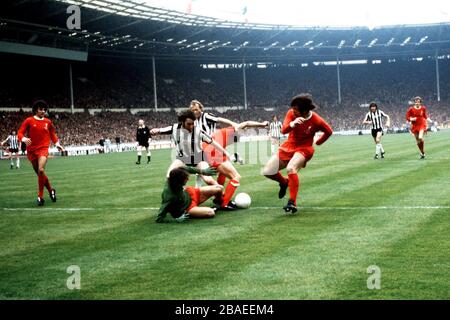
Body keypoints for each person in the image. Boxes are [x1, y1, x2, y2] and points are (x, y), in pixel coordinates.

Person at [262, 94, 333, 213]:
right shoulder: (291, 114)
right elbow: (284, 130)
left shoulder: (316, 120)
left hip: (304, 149)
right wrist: (292, 124)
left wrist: (318, 142)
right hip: (288, 146)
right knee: (267, 171)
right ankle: (284, 182)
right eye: (293, 108)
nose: (293, 111)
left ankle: (292, 202)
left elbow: (329, 131)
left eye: (296, 109)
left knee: (291, 168)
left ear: (305, 111)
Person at [203, 120, 269, 210]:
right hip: (213, 152)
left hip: (208, 151)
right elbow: (247, 123)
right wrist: (262, 124)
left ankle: (218, 198)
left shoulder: (229, 132)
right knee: (236, 177)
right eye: (245, 130)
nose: (245, 131)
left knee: (223, 171)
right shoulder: (235, 129)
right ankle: (224, 203)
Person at [150, 110, 230, 183]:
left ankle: (219, 198)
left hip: (199, 158)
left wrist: (224, 151)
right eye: (189, 124)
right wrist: (155, 131)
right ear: (182, 122)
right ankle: (178, 196)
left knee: (208, 180)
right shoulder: (174, 128)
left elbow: (213, 142)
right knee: (169, 176)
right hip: (182, 159)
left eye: (193, 123)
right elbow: (160, 130)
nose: (191, 126)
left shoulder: (198, 131)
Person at [17, 100, 65, 206]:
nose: (43, 111)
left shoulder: (48, 122)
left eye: (44, 109)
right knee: (40, 174)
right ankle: (51, 191)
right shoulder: (29, 120)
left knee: (41, 169)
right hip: (31, 151)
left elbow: (52, 133)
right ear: (35, 110)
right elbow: (19, 132)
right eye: (40, 109)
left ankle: (40, 196)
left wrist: (57, 143)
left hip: (43, 149)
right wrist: (23, 138)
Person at [156, 167, 222, 223]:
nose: (188, 179)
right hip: (188, 208)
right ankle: (200, 211)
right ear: (179, 180)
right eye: (186, 178)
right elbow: (159, 218)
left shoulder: (175, 175)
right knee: (211, 212)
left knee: (219, 188)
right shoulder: (169, 196)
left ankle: (218, 203)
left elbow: (187, 169)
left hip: (191, 193)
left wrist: (203, 171)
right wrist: (175, 220)